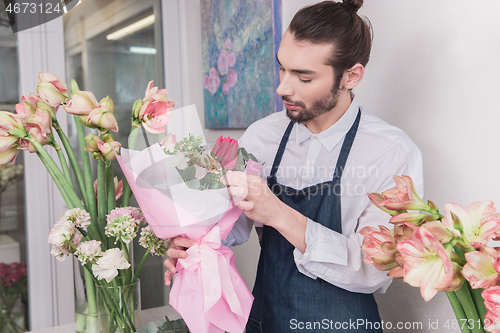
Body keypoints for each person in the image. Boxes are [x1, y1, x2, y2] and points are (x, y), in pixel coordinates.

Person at [165, 0, 423, 332]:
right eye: (282, 69)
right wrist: (193, 245)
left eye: (303, 77)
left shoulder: (390, 152)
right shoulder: (261, 136)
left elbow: (375, 270)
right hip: (266, 321)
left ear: (351, 76)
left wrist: (278, 214)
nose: (282, 88)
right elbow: (230, 228)